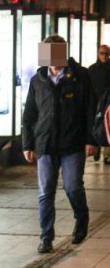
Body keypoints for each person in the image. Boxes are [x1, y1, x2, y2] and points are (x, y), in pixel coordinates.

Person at [22, 34, 97, 254]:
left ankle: (81, 219)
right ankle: (46, 237)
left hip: (73, 143)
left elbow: (90, 110)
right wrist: (28, 144)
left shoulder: (80, 77)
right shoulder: (38, 80)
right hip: (45, 144)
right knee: (46, 192)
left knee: (73, 187)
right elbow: (29, 115)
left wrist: (90, 140)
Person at [88, 44, 110, 164]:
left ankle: (106, 153)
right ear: (98, 54)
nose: (104, 56)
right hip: (96, 102)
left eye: (106, 54)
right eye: (102, 53)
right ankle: (96, 147)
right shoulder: (92, 69)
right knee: (97, 125)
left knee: (108, 127)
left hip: (108, 103)